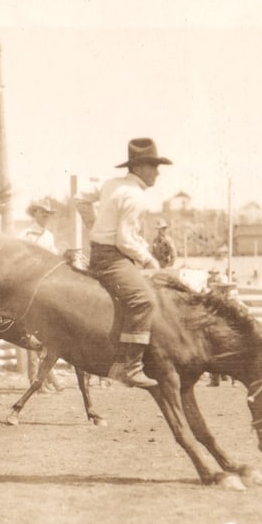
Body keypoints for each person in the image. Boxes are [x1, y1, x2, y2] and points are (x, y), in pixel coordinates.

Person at [86, 137, 171, 388]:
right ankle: (131, 367)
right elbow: (124, 241)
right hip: (113, 257)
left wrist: (95, 226)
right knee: (143, 300)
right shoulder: (135, 196)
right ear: (140, 167)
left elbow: (81, 198)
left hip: (102, 250)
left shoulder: (111, 184)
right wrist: (149, 259)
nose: (157, 172)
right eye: (154, 166)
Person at [19, 197, 64, 391]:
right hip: (28, 286)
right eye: (43, 212)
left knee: (47, 334)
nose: (46, 216)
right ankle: (36, 380)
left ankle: (45, 377)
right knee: (32, 333)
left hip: (45, 287)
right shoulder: (25, 234)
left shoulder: (49, 236)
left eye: (48, 213)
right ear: (35, 213)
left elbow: (53, 259)